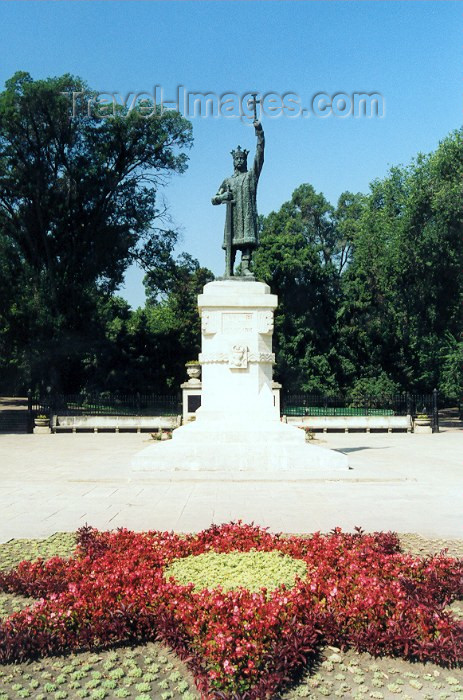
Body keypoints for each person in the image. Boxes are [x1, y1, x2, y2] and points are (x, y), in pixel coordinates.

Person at [212, 120, 264, 277]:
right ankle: (228, 269)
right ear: (233, 161)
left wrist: (259, 133)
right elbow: (213, 199)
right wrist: (222, 196)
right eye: (237, 159)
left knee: (246, 242)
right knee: (231, 243)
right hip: (233, 219)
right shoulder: (228, 181)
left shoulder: (251, 176)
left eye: (242, 159)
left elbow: (260, 156)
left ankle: (245, 267)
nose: (239, 161)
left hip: (246, 216)